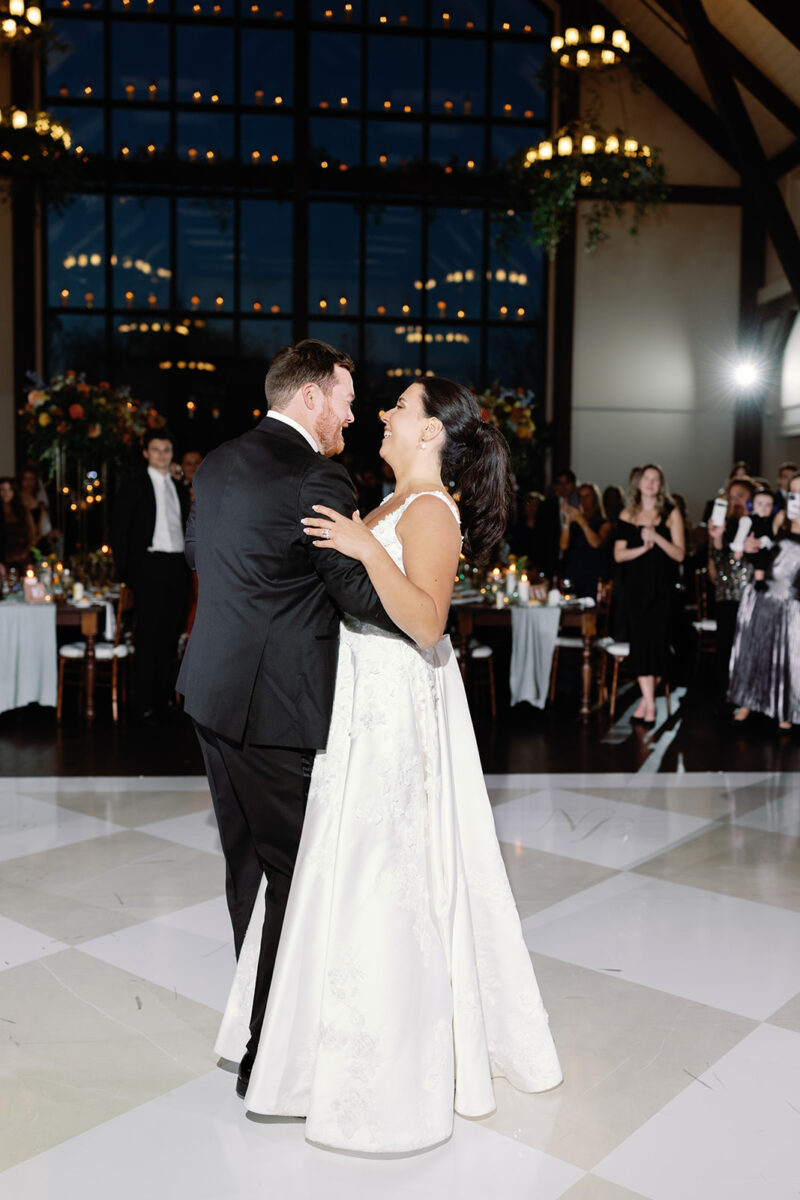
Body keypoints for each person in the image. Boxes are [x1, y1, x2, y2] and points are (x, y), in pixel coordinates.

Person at [216, 376, 562, 1154]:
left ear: (432, 431)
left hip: (394, 702)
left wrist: (369, 547)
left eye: (400, 406)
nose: (383, 413)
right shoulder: (392, 500)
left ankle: (384, 1067)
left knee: (383, 868)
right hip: (357, 695)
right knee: (339, 863)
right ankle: (315, 1047)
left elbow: (429, 623)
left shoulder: (431, 509)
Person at [177, 340, 399, 1101]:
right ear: (310, 396)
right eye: (345, 398)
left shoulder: (216, 462)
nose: (352, 414)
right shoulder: (318, 474)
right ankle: (270, 1056)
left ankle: (256, 1024)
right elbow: (356, 594)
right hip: (275, 706)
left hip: (210, 692)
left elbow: (199, 561)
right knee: (297, 879)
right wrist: (426, 607)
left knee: (248, 872)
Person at [110, 429, 191, 724]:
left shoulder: (180, 488)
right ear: (145, 452)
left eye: (166, 449)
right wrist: (129, 573)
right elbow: (119, 531)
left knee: (170, 636)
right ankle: (143, 702)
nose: (161, 455)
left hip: (177, 567)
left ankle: (164, 698)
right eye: (156, 449)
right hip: (148, 566)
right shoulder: (134, 486)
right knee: (147, 637)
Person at [613, 464, 685, 726]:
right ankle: (650, 705)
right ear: (639, 483)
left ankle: (645, 702)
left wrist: (656, 537)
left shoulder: (670, 513)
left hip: (662, 590)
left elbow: (679, 554)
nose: (651, 483)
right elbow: (618, 555)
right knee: (641, 646)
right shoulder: (627, 514)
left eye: (656, 479)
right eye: (647, 478)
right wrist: (643, 549)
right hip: (635, 590)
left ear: (661, 485)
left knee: (658, 648)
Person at [729, 473, 800, 730]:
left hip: (793, 601)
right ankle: (748, 701)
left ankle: (787, 708)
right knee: (755, 649)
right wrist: (749, 548)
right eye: (794, 493)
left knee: (789, 656)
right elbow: (759, 548)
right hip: (764, 591)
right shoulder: (779, 519)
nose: (798, 499)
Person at [707, 477, 755, 700]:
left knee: (748, 645)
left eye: (741, 495)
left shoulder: (758, 524)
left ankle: (747, 695)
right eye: (732, 496)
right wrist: (716, 538)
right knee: (725, 645)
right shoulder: (725, 524)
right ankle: (726, 693)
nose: (735, 500)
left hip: (751, 592)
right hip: (726, 592)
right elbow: (718, 559)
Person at [559, 481, 612, 598]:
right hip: (574, 576)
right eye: (580, 496)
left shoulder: (604, 523)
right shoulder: (575, 524)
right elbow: (563, 545)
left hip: (593, 577)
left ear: (595, 499)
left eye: (587, 496)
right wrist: (567, 519)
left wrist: (580, 519)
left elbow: (596, 543)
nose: (583, 500)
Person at [0, 477, 35, 569]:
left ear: (14, 491)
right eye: (2, 490)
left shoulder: (22, 512)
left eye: (9, 490)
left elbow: (32, 535)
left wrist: (25, 553)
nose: (6, 493)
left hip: (23, 559)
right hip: (3, 561)